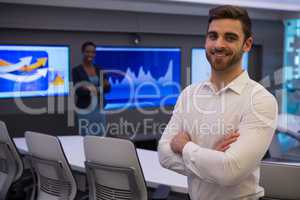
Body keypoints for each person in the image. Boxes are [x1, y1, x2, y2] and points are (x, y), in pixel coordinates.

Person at [158, 5, 278, 200]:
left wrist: (186, 148)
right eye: (213, 36)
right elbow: (164, 154)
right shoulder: (189, 94)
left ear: (247, 44)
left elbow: (229, 171)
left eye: (230, 38)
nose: (218, 44)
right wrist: (211, 157)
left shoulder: (260, 100)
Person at [72, 41, 110, 136]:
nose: (90, 54)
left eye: (93, 52)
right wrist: (99, 88)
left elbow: (107, 89)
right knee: (86, 137)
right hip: (85, 109)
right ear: (83, 52)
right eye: (87, 51)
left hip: (99, 108)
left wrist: (90, 88)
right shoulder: (76, 70)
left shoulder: (99, 69)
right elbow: (79, 92)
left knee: (101, 136)